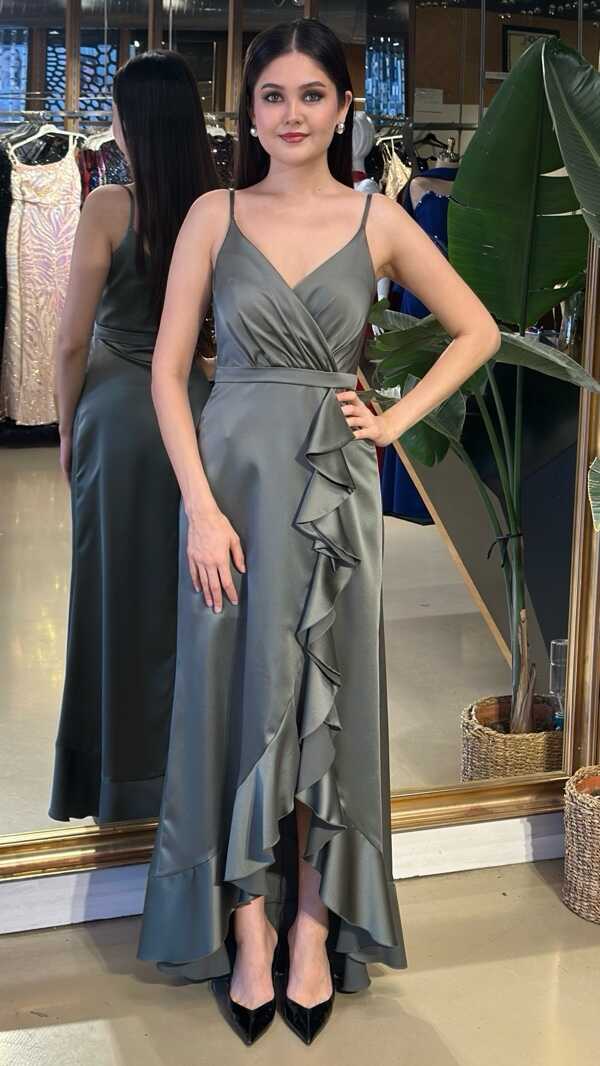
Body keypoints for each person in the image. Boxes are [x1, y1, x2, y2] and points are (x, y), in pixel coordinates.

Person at [137, 18, 500, 1046]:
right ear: (248, 112)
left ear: (343, 108)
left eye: (310, 95)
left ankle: (311, 920)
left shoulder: (377, 216)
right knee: (234, 698)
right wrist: (200, 507)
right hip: (230, 495)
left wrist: (392, 421)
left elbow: (476, 329)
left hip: (334, 496)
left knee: (323, 711)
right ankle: (246, 925)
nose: (290, 114)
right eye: (272, 96)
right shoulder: (214, 213)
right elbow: (167, 369)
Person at [49, 51, 219, 824]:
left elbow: (70, 342)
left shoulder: (108, 206)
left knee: (112, 593)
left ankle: (114, 778)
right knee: (188, 599)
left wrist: (66, 428)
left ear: (126, 123)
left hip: (117, 416)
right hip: (197, 413)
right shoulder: (216, 207)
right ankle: (188, 771)